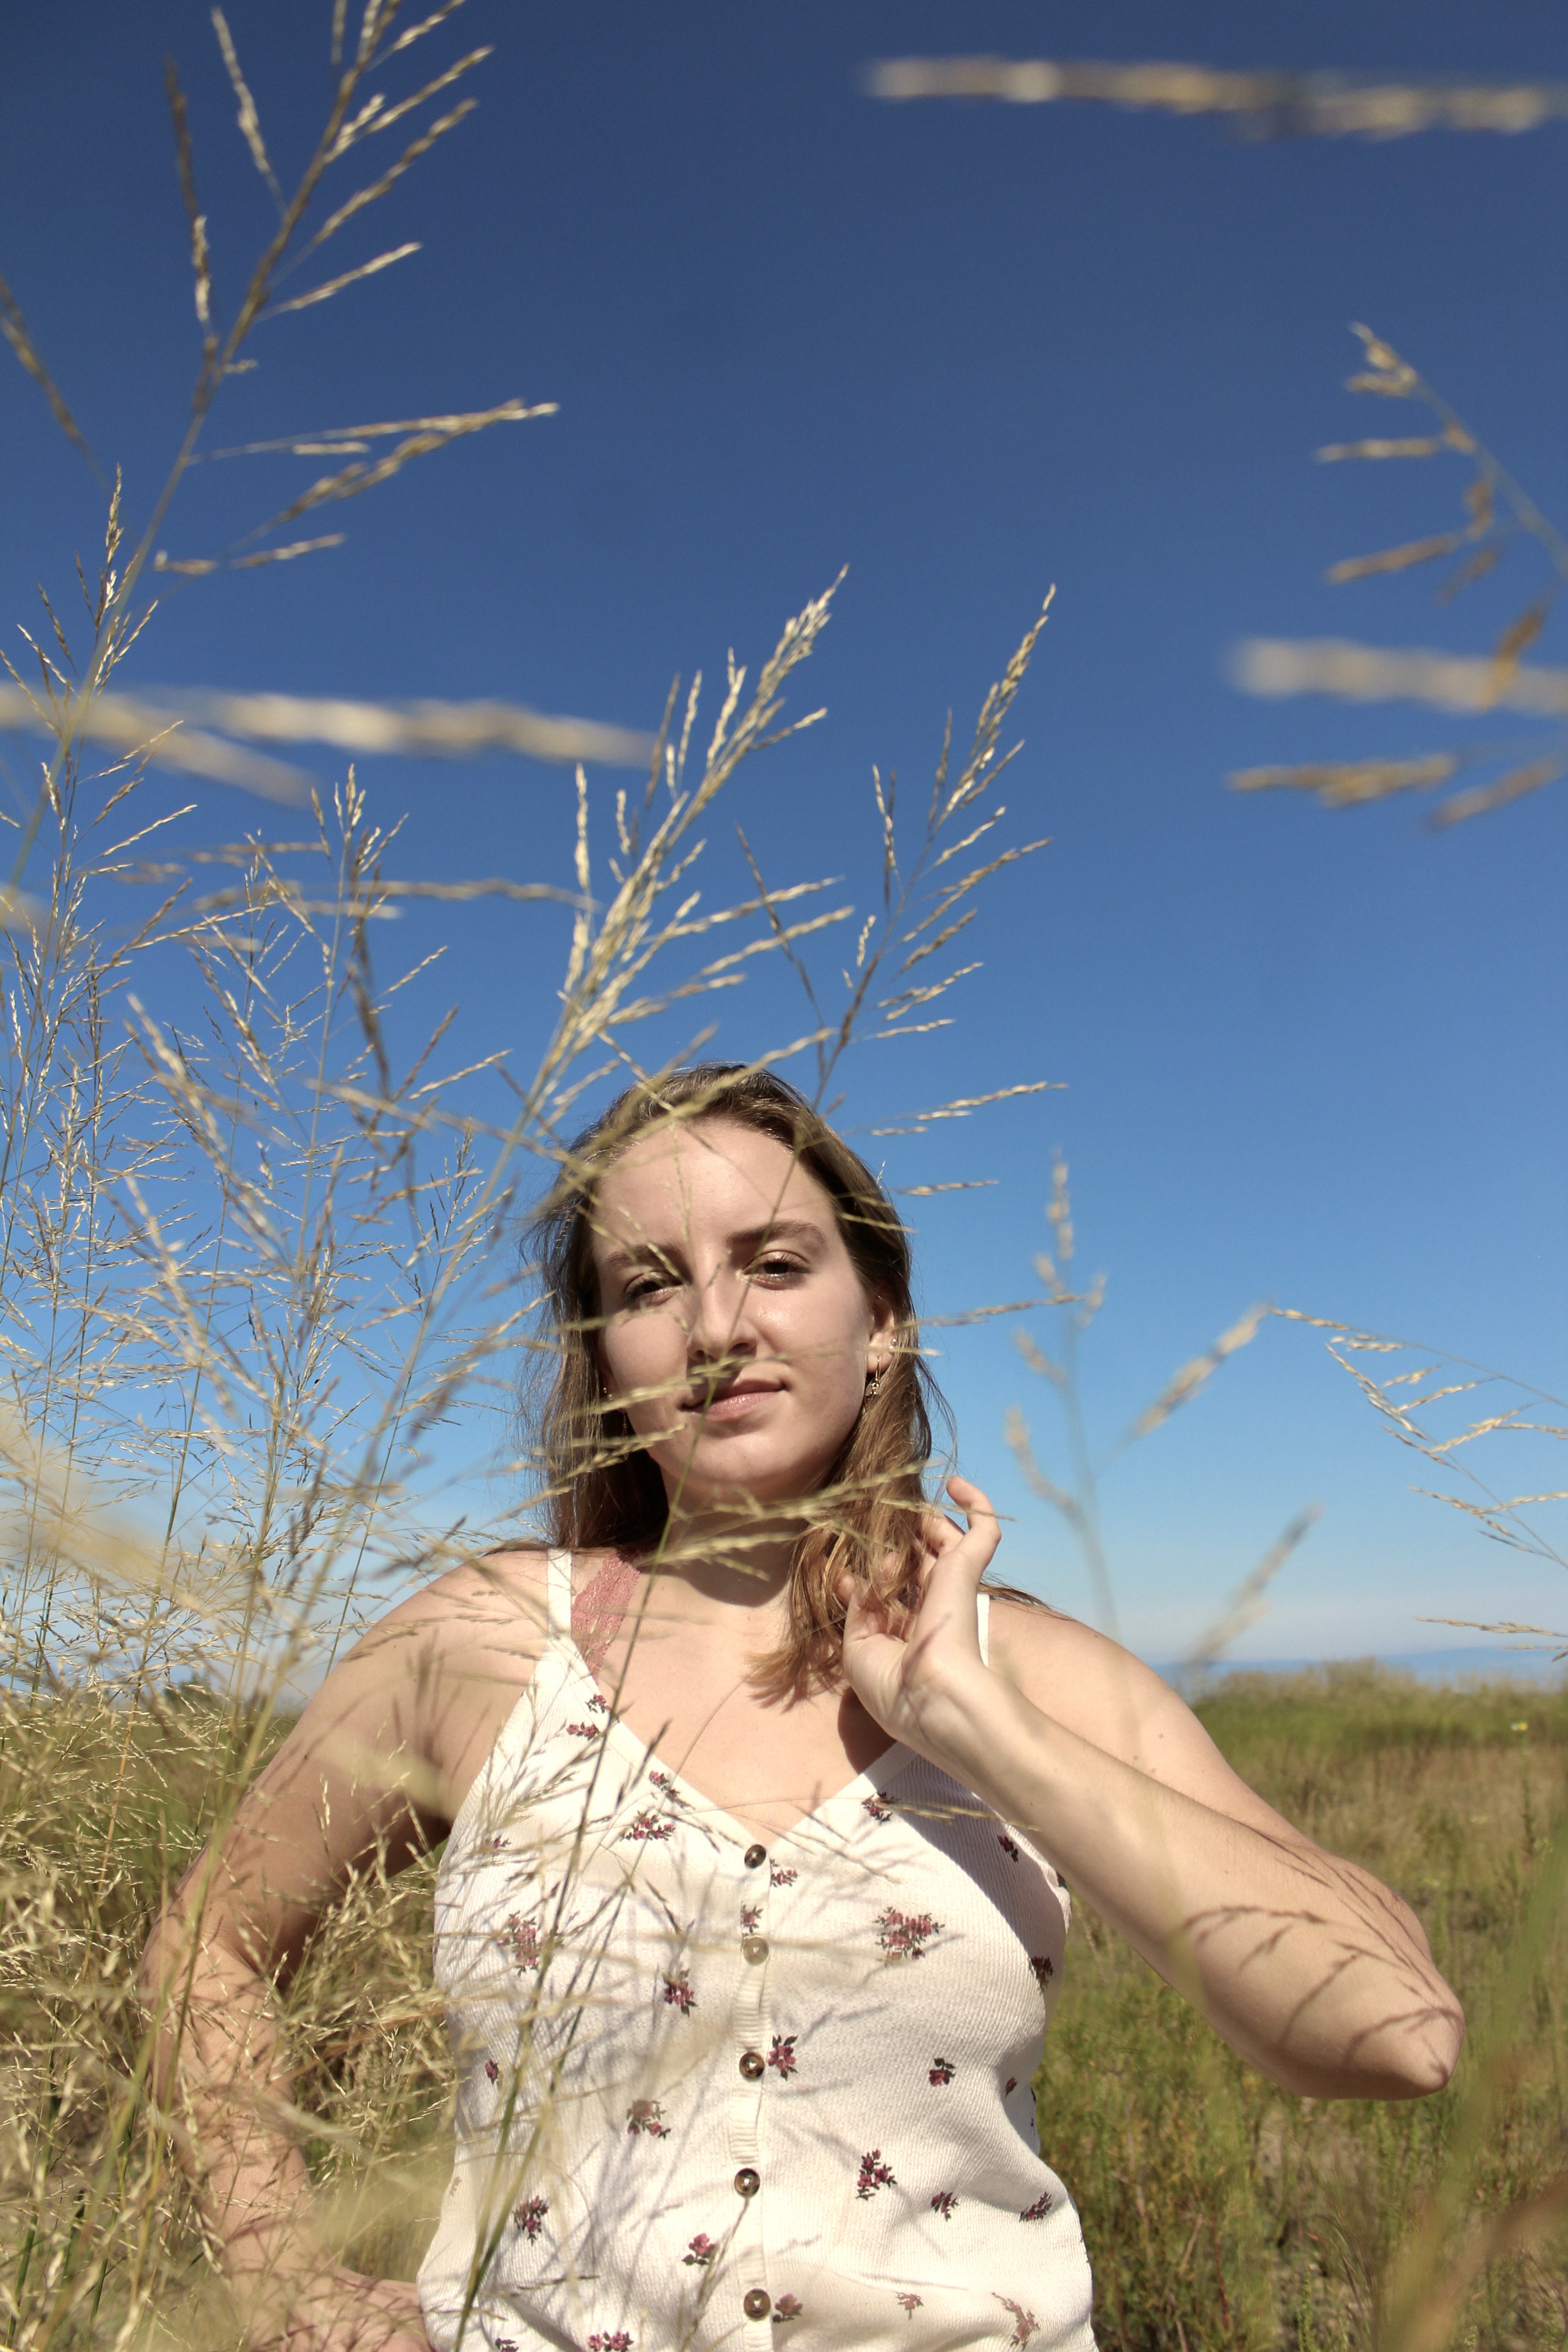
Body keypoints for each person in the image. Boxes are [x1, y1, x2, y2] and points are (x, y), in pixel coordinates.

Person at [142, 1064, 1464, 2352]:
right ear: (604, 1355)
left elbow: (1397, 2032)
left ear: (881, 1317)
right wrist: (276, 2274)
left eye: (775, 1264)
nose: (717, 1327)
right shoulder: (480, 1646)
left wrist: (983, 1729)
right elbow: (208, 1943)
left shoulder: (1038, 1675)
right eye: (649, 1285)